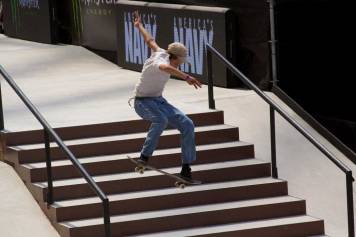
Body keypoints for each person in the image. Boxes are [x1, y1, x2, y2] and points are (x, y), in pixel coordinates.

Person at [128, 10, 202, 181]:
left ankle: (186, 169)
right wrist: (187, 77)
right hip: (142, 103)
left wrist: (139, 26)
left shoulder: (160, 51)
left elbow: (150, 40)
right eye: (180, 62)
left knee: (187, 124)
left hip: (159, 101)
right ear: (175, 58)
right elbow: (166, 68)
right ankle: (144, 157)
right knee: (160, 120)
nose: (181, 65)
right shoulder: (160, 62)